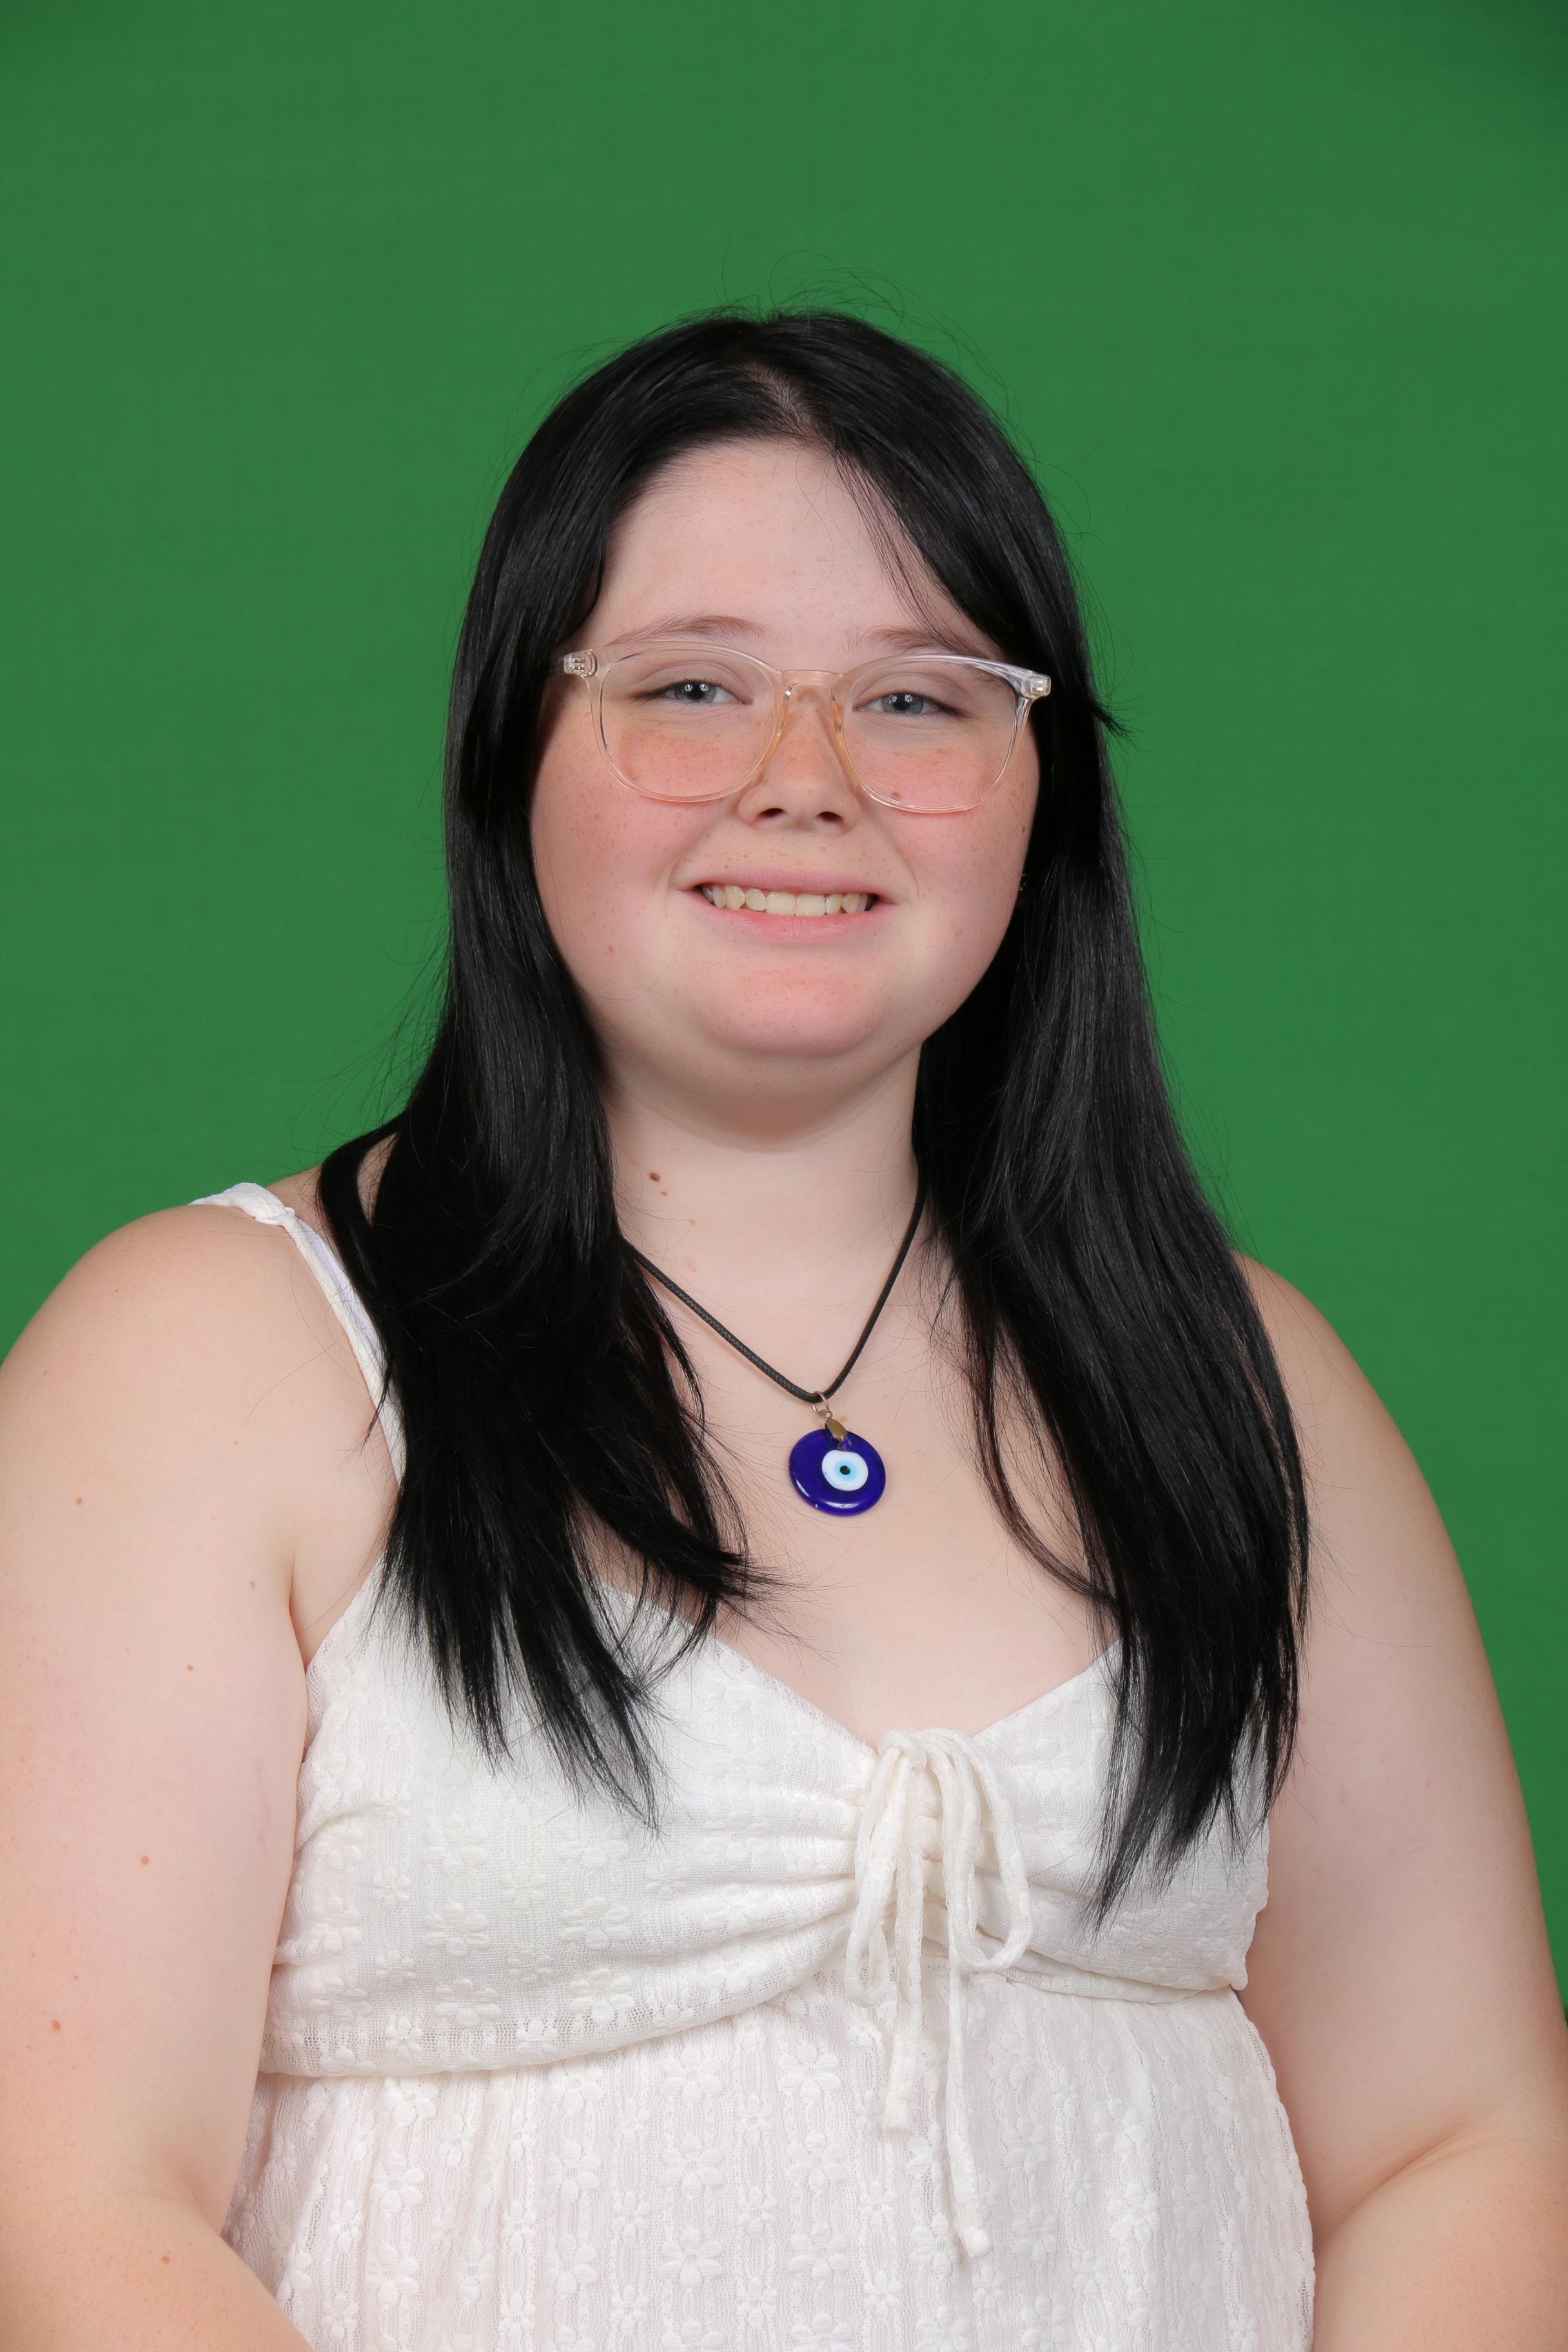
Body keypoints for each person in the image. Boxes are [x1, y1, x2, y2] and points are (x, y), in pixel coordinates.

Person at [2, 311, 1564, 2352]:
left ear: (1043, 788)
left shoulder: (1243, 1383)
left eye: (918, 700)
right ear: (510, 750)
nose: (806, 784)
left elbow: (1462, 2137)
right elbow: (69, 2201)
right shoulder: (210, 1356)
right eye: (691, 688)